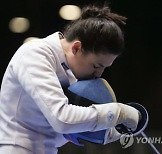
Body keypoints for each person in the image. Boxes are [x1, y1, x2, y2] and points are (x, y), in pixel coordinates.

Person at [0, 3, 140, 154]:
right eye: (96, 65)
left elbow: (69, 130)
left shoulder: (71, 69)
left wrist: (108, 131)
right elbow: (62, 119)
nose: (99, 74)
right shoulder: (35, 54)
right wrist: (118, 113)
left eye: (104, 68)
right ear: (76, 48)